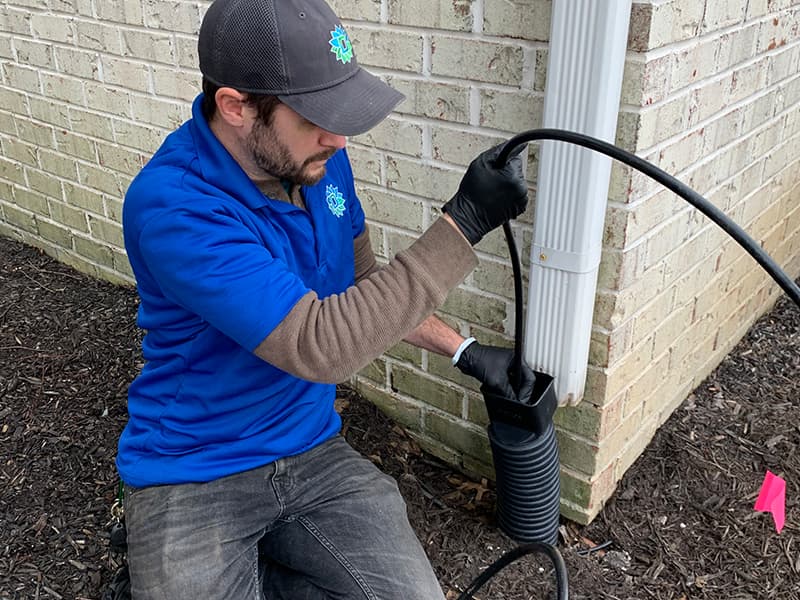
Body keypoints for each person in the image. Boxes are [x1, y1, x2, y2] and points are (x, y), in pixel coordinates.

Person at [117, 0, 533, 598]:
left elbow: (363, 287)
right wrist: (462, 224)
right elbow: (320, 344)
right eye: (315, 115)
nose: (338, 137)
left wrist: (464, 351)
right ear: (236, 107)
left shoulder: (318, 163)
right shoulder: (175, 207)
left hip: (310, 449)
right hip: (195, 466)